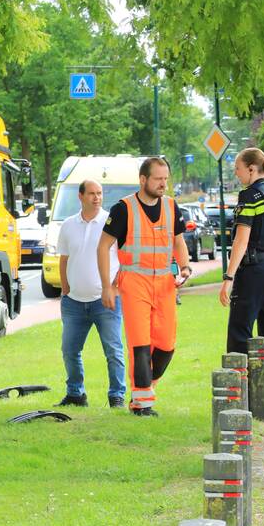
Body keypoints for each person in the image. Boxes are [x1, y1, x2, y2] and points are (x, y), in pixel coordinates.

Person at [97, 157, 191, 417]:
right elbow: (103, 247)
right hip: (134, 282)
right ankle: (141, 404)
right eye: (158, 179)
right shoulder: (123, 209)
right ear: (143, 180)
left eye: (166, 179)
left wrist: (185, 268)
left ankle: (145, 387)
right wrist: (106, 286)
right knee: (140, 343)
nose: (163, 184)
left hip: (164, 284)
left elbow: (178, 241)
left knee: (166, 345)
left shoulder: (172, 207)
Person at [219, 148, 264, 420]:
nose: (236, 174)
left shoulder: (249, 196)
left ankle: (239, 403)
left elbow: (241, 240)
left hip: (254, 269)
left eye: (238, 168)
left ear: (251, 168)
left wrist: (228, 277)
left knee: (239, 333)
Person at [55, 180, 127, 409]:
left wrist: (115, 286)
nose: (96, 198)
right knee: (69, 351)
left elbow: (125, 258)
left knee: (113, 351)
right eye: (92, 194)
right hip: (74, 302)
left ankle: (117, 395)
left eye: (100, 194)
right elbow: (64, 259)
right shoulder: (67, 225)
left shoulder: (111, 223)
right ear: (81, 196)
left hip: (104, 301)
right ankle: (75, 393)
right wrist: (65, 290)